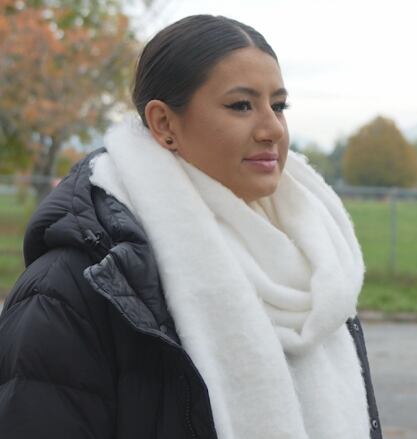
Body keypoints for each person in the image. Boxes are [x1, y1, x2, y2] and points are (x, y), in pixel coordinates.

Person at [0, 14, 382, 439]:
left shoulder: (315, 268)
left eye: (278, 105)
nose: (272, 128)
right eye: (241, 105)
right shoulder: (75, 289)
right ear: (164, 124)